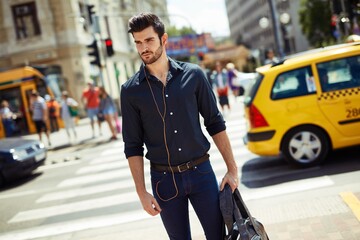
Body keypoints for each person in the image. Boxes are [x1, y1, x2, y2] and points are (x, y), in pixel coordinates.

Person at [121, 12, 238, 240]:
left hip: (201, 173)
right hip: (164, 181)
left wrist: (232, 170)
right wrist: (141, 192)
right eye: (138, 42)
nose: (143, 47)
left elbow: (215, 123)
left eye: (149, 40)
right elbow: (133, 145)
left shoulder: (194, 75)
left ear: (164, 40)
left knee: (218, 236)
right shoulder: (130, 91)